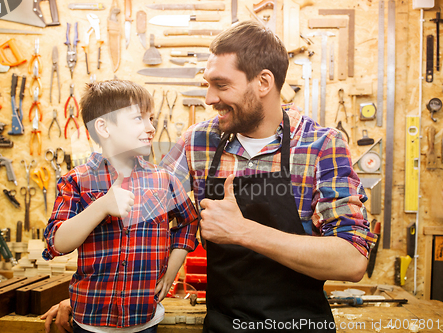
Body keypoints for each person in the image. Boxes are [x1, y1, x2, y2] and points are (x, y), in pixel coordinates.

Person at [42, 21, 376, 332]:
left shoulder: (321, 146)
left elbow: (351, 261)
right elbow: (138, 218)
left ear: (263, 83)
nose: (209, 98)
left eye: (221, 85)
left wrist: (244, 231)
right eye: (207, 85)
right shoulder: (198, 142)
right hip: (224, 325)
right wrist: (99, 297)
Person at [41, 79, 198, 333]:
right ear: (103, 127)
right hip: (90, 320)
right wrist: (100, 206)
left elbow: (189, 221)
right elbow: (56, 243)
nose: (150, 127)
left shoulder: (163, 180)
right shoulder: (77, 180)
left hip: (144, 319)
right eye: (139, 118)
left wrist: (172, 268)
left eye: (151, 119)